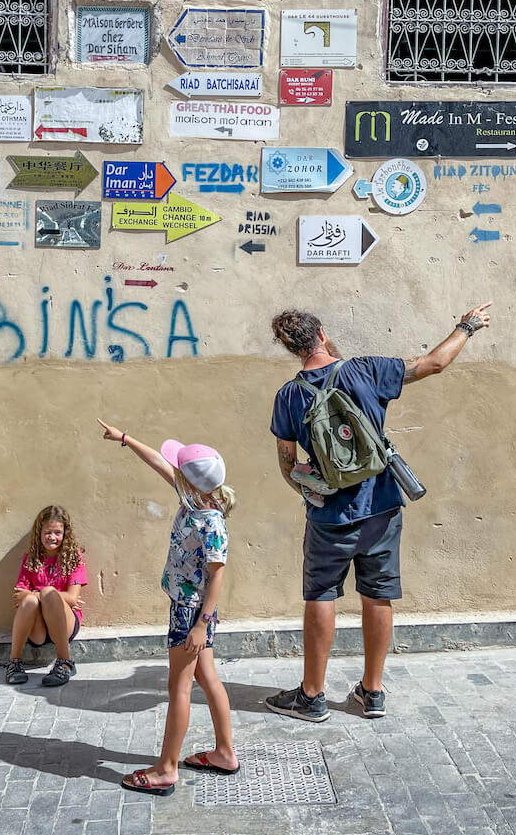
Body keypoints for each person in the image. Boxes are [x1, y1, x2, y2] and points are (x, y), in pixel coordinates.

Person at [266, 302, 492, 722]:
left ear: (291, 348)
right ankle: (372, 692)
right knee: (378, 594)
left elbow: (287, 464)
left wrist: (310, 490)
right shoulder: (367, 370)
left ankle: (312, 696)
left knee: (320, 596)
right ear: (321, 334)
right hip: (383, 506)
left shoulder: (289, 395)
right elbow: (434, 363)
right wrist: (468, 325)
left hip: (328, 516)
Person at [98, 419, 238, 796]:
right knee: (207, 676)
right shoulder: (197, 499)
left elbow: (218, 574)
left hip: (191, 611)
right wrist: (125, 439)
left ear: (190, 482)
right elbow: (160, 463)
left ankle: (166, 768)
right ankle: (224, 752)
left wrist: (200, 624)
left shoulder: (210, 522)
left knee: (179, 685)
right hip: (195, 610)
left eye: (179, 471)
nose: (171, 471)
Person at [6, 504, 87, 687]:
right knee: (30, 601)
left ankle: (65, 662)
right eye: (47, 532)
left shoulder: (74, 558)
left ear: (65, 533)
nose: (52, 537)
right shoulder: (30, 559)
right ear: (39, 533)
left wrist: (41, 593)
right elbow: (19, 595)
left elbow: (72, 599)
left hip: (65, 623)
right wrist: (37, 596)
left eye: (57, 532)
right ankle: (14, 662)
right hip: (38, 629)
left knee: (46, 593)